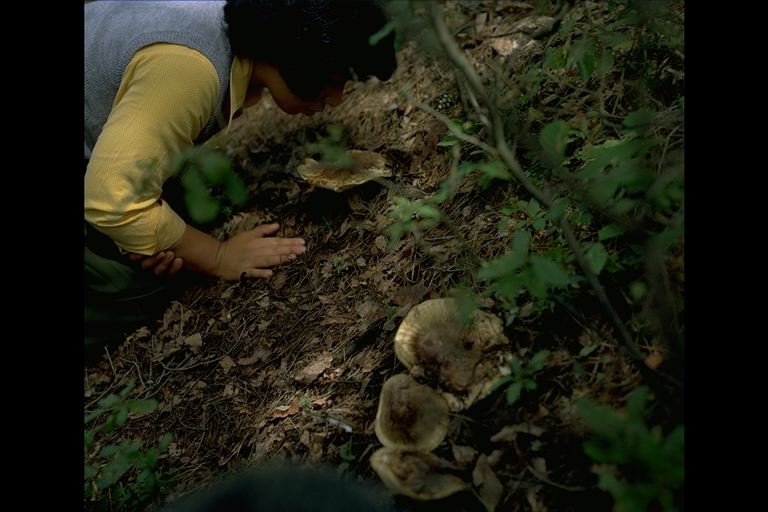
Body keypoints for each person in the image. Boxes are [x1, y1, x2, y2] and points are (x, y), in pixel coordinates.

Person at [84, 0, 397, 358]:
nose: (336, 100)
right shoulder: (190, 69)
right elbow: (112, 200)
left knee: (169, 230)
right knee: (136, 287)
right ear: (298, 57)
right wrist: (217, 256)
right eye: (331, 81)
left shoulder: (229, 23)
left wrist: (144, 233)